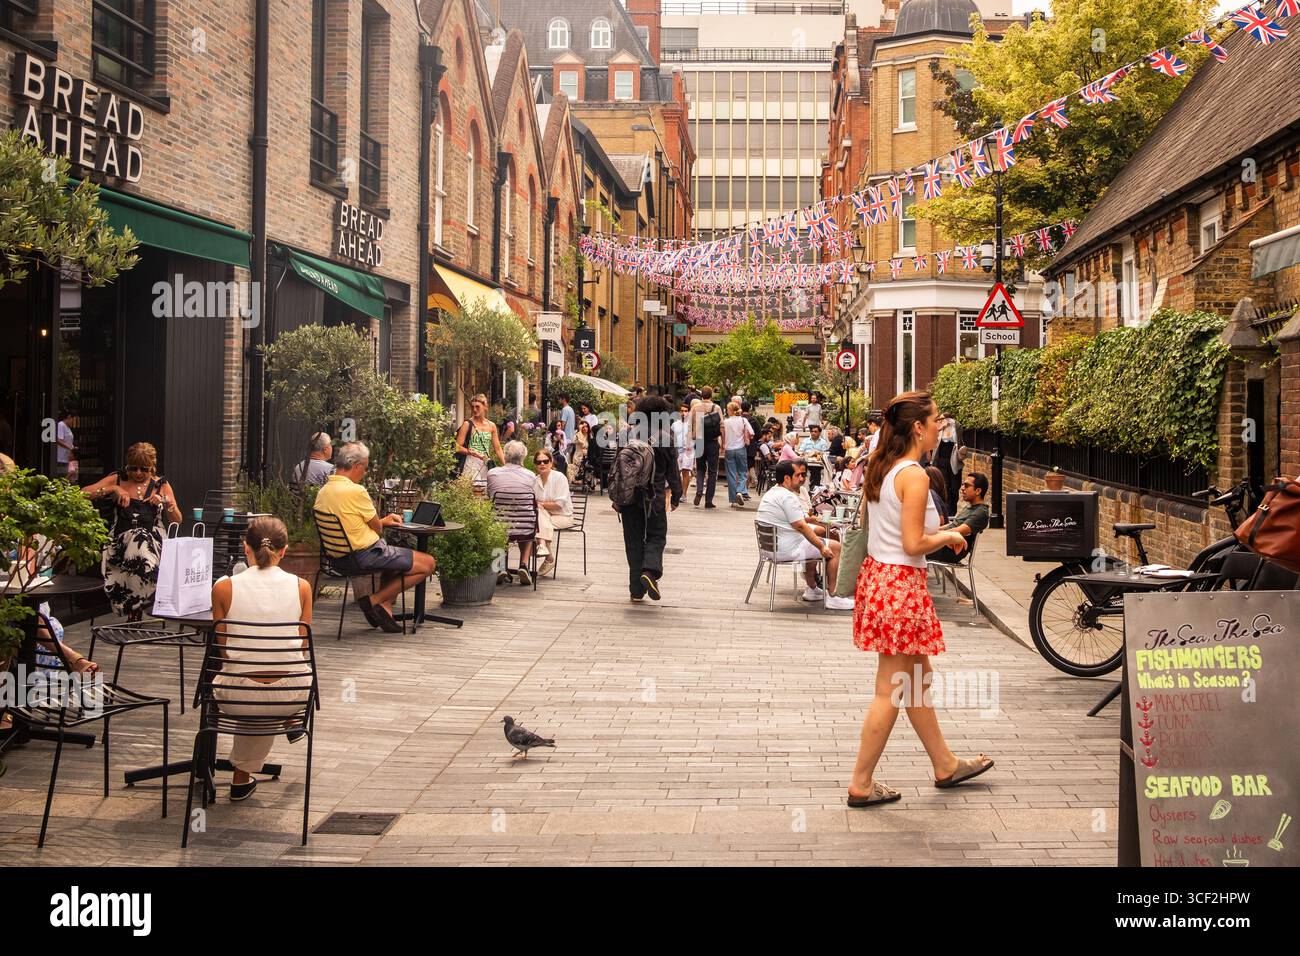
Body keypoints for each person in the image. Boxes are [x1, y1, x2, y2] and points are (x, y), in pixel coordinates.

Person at [846, 391, 993, 809]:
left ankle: (945, 763)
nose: (939, 427)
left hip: (883, 579)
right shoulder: (914, 475)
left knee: (916, 682)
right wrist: (949, 534)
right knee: (890, 690)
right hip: (898, 583)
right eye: (935, 421)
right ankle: (860, 783)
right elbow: (914, 542)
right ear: (917, 428)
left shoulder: (884, 465)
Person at [209, 517, 314, 802]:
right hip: (292, 694)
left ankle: (242, 778)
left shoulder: (223, 588)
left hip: (239, 697)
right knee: (269, 685)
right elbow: (301, 648)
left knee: (248, 685)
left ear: (246, 548)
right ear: (284, 550)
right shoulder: (302, 586)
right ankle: (288, 719)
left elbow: (225, 650)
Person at [314, 442, 435, 632]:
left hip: (336, 560)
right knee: (428, 563)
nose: (365, 472)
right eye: (366, 467)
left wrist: (383, 521)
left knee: (395, 563)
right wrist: (383, 522)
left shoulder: (323, 492)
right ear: (356, 466)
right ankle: (374, 601)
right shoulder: (356, 491)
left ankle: (384, 609)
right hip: (364, 556)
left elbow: (358, 522)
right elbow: (377, 528)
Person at [82, 442, 183, 621]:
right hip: (120, 542)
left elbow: (177, 520)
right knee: (139, 536)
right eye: (132, 468)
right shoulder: (117, 479)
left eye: (143, 469)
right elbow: (83, 493)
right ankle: (147, 593)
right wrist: (113, 489)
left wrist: (165, 501)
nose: (137, 473)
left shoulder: (161, 485)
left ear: (152, 467)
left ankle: (137, 602)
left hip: (154, 544)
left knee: (143, 537)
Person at [755, 459, 855, 611]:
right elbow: (800, 525)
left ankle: (813, 588)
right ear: (787, 478)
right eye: (798, 475)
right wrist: (821, 546)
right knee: (834, 547)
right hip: (786, 549)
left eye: (803, 475)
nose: (802, 479)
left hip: (771, 548)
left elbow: (799, 522)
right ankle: (833, 597)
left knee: (813, 539)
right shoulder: (788, 497)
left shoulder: (772, 493)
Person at [617, 396, 682, 603]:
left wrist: (617, 496)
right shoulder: (666, 438)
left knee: (633, 540)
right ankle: (650, 570)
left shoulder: (627, 435)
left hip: (628, 496)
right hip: (653, 496)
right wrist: (676, 495)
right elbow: (673, 472)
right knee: (656, 535)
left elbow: (618, 469)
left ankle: (636, 590)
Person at [487, 440, 542, 586]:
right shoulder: (531, 475)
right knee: (527, 525)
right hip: (525, 526)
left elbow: (489, 496)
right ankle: (523, 565)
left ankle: (499, 567)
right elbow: (534, 498)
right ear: (523, 457)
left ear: (505, 455)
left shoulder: (492, 473)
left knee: (499, 525)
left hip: (500, 524)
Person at [928, 472, 990, 565]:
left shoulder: (981, 512)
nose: (962, 488)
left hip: (951, 551)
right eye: (962, 485)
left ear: (978, 491)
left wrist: (930, 534)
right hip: (944, 543)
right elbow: (953, 524)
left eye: (967, 486)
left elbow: (957, 531)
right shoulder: (970, 506)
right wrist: (929, 531)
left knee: (913, 548)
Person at [532, 450, 575, 578]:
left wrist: (542, 504)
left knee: (538, 521)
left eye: (545, 461)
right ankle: (544, 549)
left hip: (563, 516)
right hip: (545, 516)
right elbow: (534, 502)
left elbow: (559, 504)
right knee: (539, 516)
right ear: (535, 465)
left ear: (551, 462)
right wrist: (542, 505)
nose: (542, 464)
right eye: (539, 462)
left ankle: (546, 554)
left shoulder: (559, 477)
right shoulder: (535, 480)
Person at [455, 394, 505, 485]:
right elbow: (457, 447)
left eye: (477, 407)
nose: (474, 410)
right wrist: (471, 452)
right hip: (471, 463)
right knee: (473, 491)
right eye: (472, 407)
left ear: (485, 407)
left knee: (485, 491)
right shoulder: (467, 424)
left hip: (485, 463)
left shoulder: (491, 426)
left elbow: (497, 448)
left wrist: (506, 465)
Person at [689, 386, 722, 508]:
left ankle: (699, 490)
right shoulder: (716, 407)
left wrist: (691, 437)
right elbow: (722, 425)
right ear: (711, 395)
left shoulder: (695, 407)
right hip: (712, 442)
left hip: (699, 441)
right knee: (712, 471)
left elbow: (690, 424)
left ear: (701, 395)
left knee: (700, 469)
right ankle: (708, 500)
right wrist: (723, 443)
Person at [722, 401, 754, 509]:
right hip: (741, 449)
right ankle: (740, 491)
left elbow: (722, 435)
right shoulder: (743, 420)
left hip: (729, 449)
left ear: (730, 410)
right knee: (742, 472)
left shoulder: (726, 422)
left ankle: (733, 500)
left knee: (731, 474)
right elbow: (752, 433)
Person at [935, 414, 963, 516]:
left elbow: (960, 428)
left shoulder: (956, 428)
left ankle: (953, 510)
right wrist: (941, 427)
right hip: (941, 461)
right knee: (945, 486)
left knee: (955, 488)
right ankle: (947, 512)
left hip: (954, 461)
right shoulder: (938, 429)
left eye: (942, 418)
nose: (940, 420)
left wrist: (952, 423)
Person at [672, 402, 694, 497]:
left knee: (686, 471)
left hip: (688, 450)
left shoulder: (692, 424)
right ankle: (679, 491)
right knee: (677, 472)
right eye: (682, 411)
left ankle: (684, 494)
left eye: (686, 411)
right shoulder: (674, 424)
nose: (683, 413)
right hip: (677, 450)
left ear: (688, 412)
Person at [798, 424, 831, 489]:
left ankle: (815, 488)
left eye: (815, 432)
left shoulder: (823, 442)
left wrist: (817, 453)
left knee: (815, 470)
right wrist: (807, 453)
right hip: (806, 462)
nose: (813, 433)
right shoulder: (806, 441)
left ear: (819, 433)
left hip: (817, 463)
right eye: (812, 431)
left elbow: (824, 453)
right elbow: (801, 451)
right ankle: (805, 487)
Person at [54, 408, 77, 480]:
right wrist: (70, 448)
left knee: (66, 478)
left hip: (66, 458)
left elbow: (68, 442)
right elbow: (58, 440)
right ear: (69, 417)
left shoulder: (68, 428)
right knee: (62, 478)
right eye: (73, 419)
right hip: (60, 458)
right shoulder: (61, 425)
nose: (73, 422)